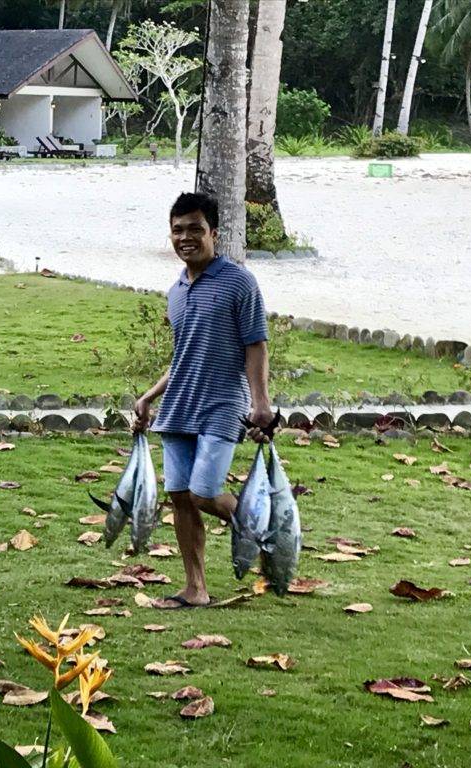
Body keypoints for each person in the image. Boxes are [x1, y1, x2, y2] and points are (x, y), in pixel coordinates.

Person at [133, 192, 274, 609]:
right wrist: (147, 396)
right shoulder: (175, 291)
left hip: (222, 403)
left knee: (203, 493)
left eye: (195, 229)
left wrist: (261, 402)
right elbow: (182, 357)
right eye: (178, 230)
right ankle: (195, 588)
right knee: (179, 496)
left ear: (214, 232)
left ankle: (262, 527)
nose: (186, 237)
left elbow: (257, 345)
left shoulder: (239, 282)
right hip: (179, 405)